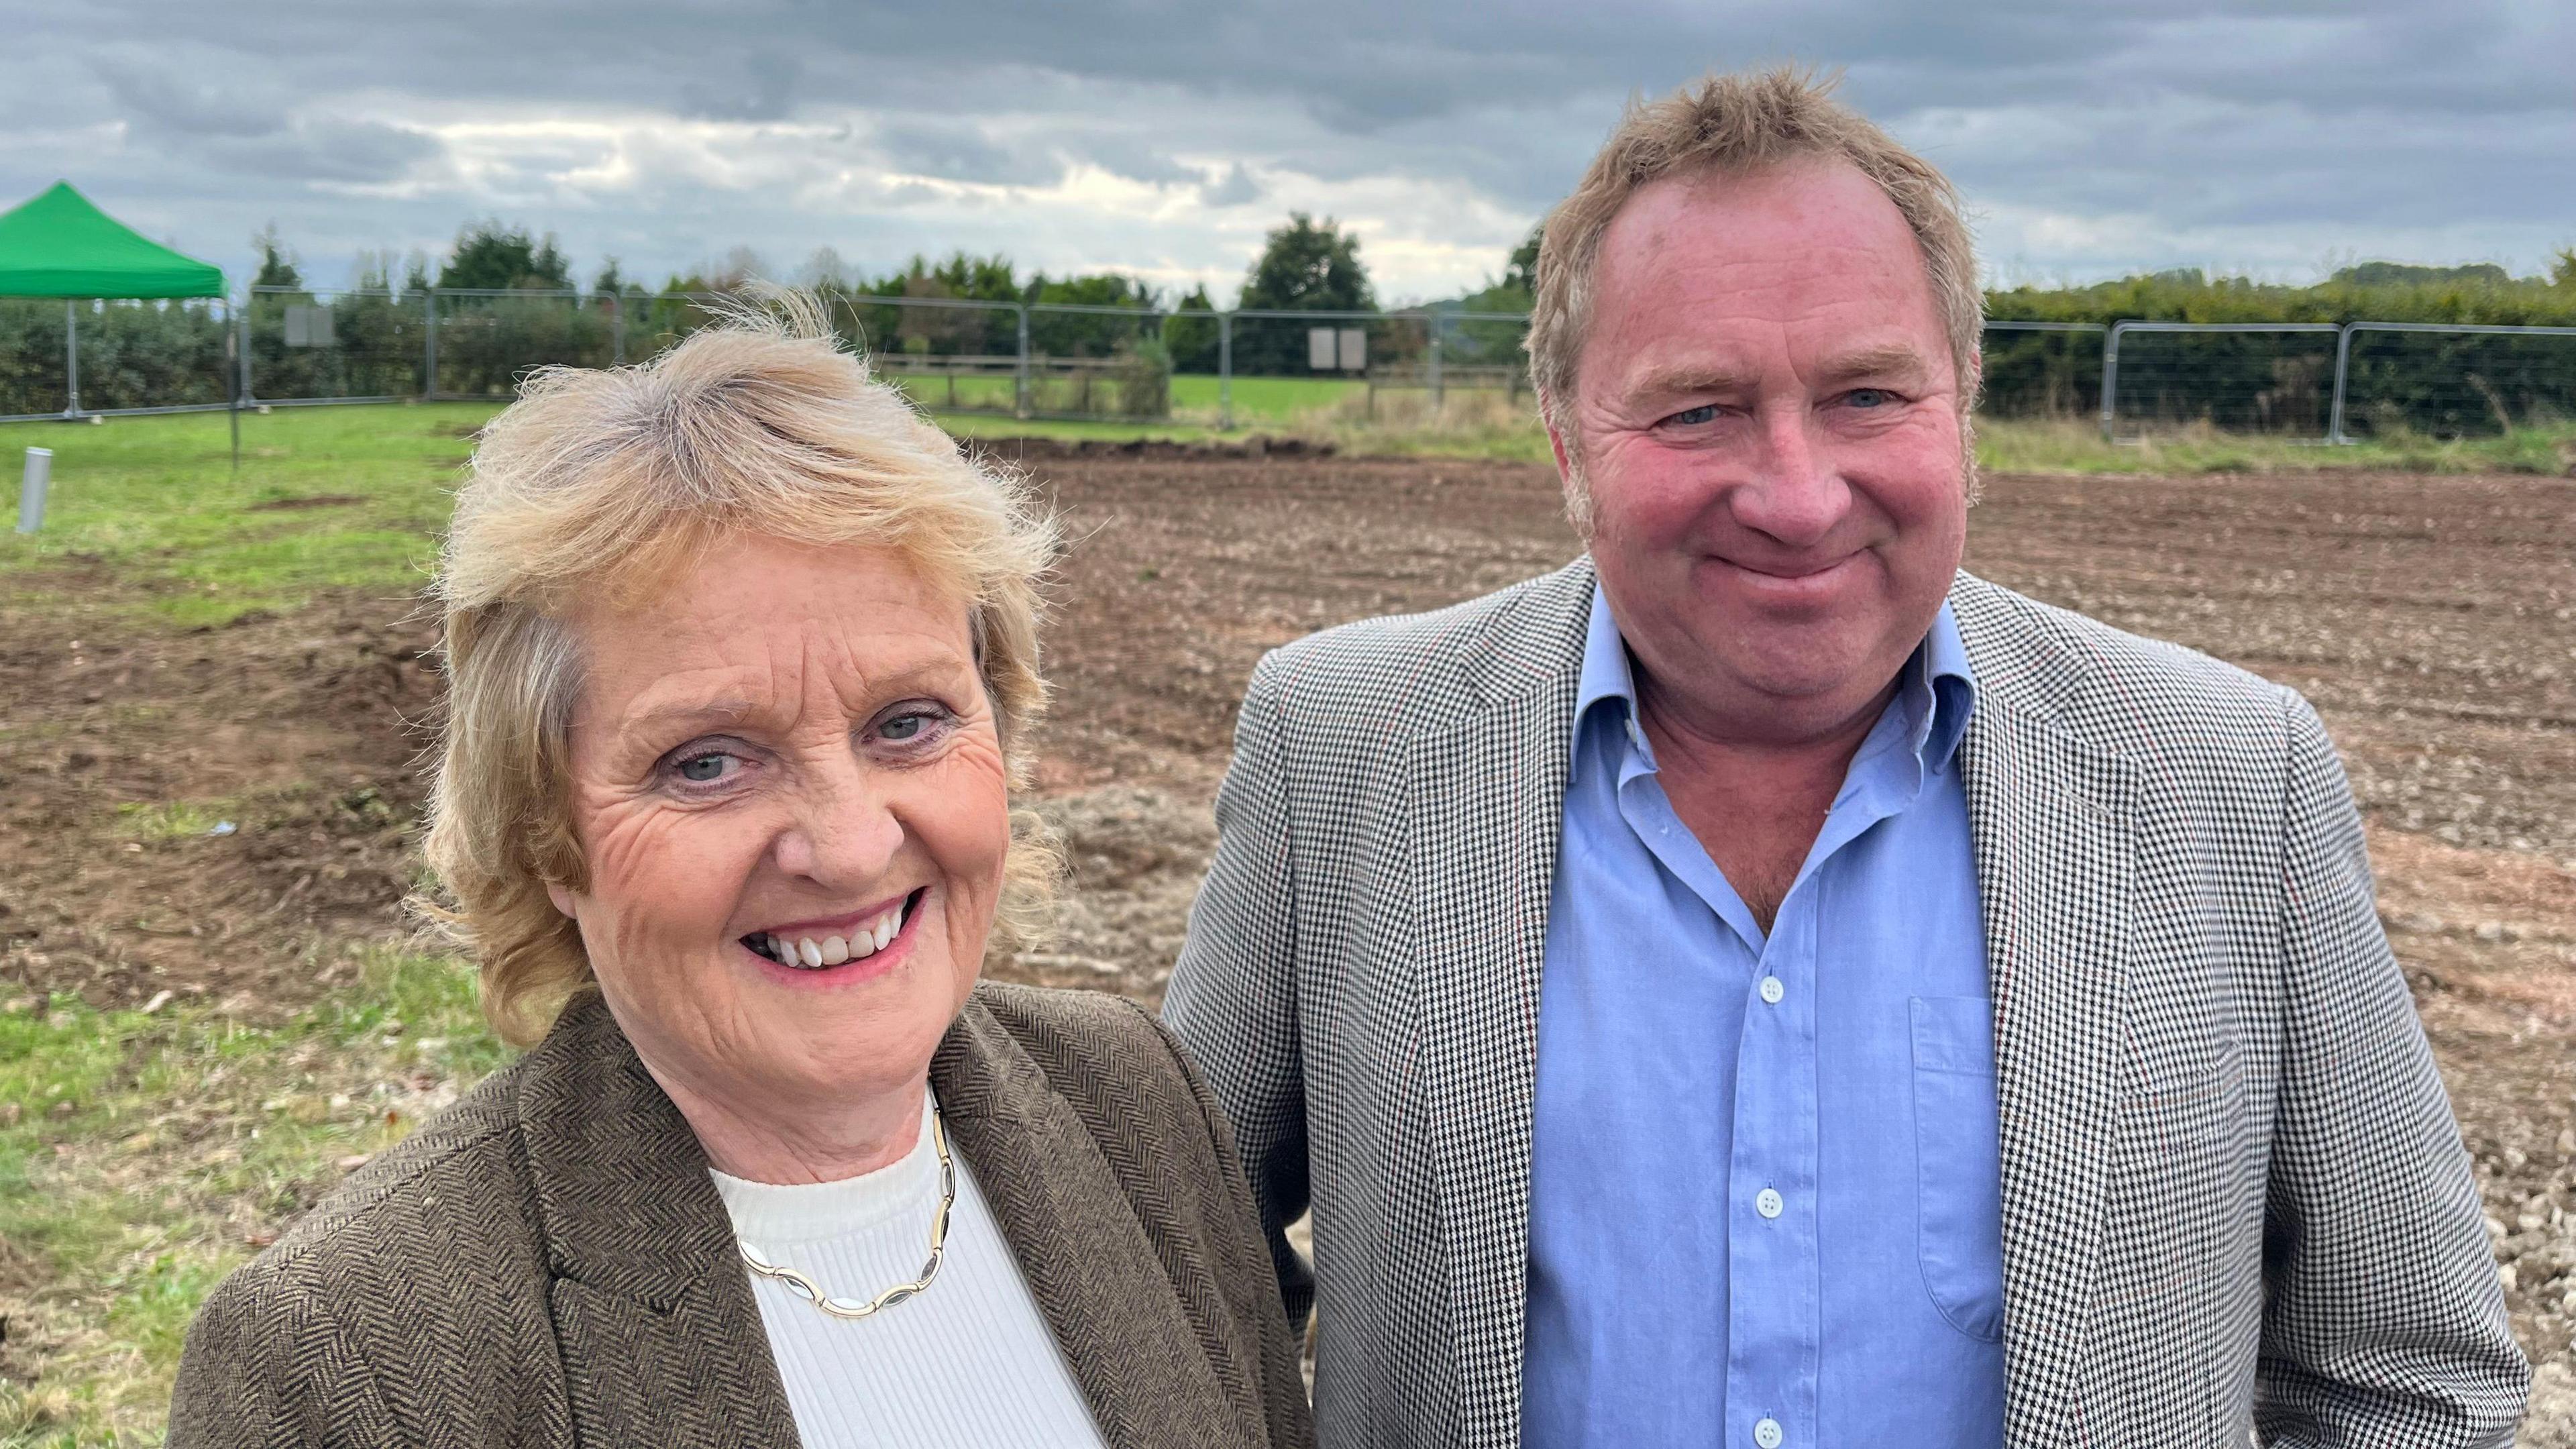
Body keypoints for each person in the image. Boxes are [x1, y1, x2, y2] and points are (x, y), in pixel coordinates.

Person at [1165, 68, 2528, 1449]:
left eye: (1868, 394)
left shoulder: (2233, 781)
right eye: (1697, 409)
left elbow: (2409, 1381)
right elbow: (1163, 1279)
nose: (1800, 495)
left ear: (1964, 404)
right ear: (1567, 439)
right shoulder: (1340, 751)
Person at [171, 304, 1312, 1449]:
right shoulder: (350, 1366)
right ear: (544, 834)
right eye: (707, 761)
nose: (852, 845)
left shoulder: (1137, 1101)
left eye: (908, 723)